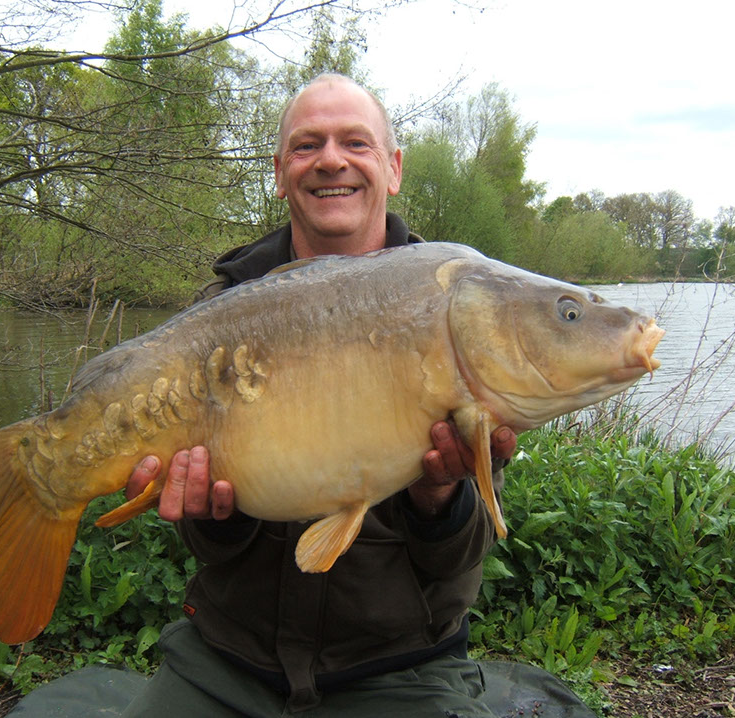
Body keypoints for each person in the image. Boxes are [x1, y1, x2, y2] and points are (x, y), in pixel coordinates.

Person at [120, 73, 521, 717]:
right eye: (307, 146)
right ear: (280, 173)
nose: (331, 159)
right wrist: (214, 518)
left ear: (392, 169)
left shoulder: (454, 313)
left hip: (401, 664)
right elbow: (208, 547)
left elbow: (459, 560)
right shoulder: (224, 315)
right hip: (229, 657)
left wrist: (437, 493)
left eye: (355, 143)